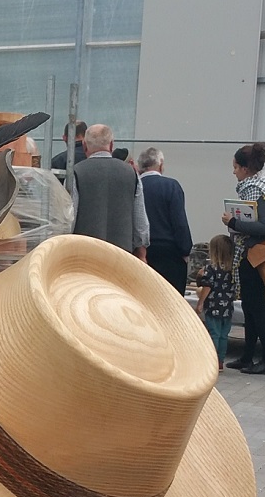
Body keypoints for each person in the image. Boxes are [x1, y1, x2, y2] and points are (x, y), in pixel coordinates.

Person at [222, 142, 265, 375]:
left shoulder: (256, 189)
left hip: (255, 255)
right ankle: (247, 356)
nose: (234, 172)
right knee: (249, 306)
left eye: (235, 167)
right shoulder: (263, 185)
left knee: (257, 308)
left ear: (245, 169)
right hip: (251, 254)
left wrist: (233, 222)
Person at [70, 124, 148, 259]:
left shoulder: (76, 173)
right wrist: (141, 253)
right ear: (111, 145)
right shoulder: (131, 174)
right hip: (122, 255)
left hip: (85, 255)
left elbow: (69, 219)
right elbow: (140, 221)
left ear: (84, 146)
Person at [138, 147, 192, 294]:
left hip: (140, 254)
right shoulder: (171, 186)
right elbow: (179, 223)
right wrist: (185, 250)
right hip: (169, 256)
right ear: (160, 164)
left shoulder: (135, 186)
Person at [197, 234, 237, 369]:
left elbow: (207, 286)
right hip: (228, 307)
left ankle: (212, 360)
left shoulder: (211, 268)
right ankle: (220, 361)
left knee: (214, 333)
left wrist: (200, 303)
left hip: (213, 305)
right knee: (224, 335)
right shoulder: (233, 268)